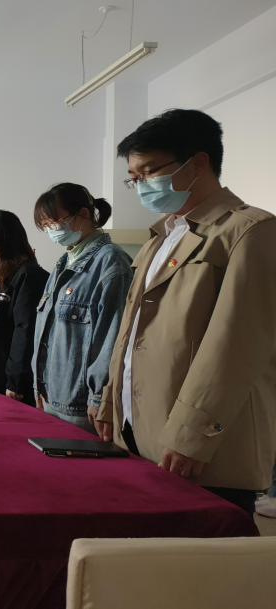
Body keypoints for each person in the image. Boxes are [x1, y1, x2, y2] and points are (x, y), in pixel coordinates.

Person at [94, 109, 276, 517]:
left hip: (200, 450)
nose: (141, 185)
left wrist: (192, 434)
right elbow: (130, 331)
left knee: (194, 556)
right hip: (139, 431)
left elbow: (237, 346)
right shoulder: (160, 237)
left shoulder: (250, 231)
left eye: (149, 171)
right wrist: (109, 403)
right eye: (134, 177)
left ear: (198, 162)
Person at [32, 184, 133, 433]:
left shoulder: (111, 262)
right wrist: (38, 387)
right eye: (46, 225)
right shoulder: (64, 262)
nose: (52, 230)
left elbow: (112, 338)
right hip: (52, 395)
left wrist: (99, 397)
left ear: (84, 214)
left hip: (82, 405)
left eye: (56, 222)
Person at [0, 210, 48, 405]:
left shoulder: (29, 275)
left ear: (3, 239)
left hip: (10, 382)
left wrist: (16, 380)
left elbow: (26, 331)